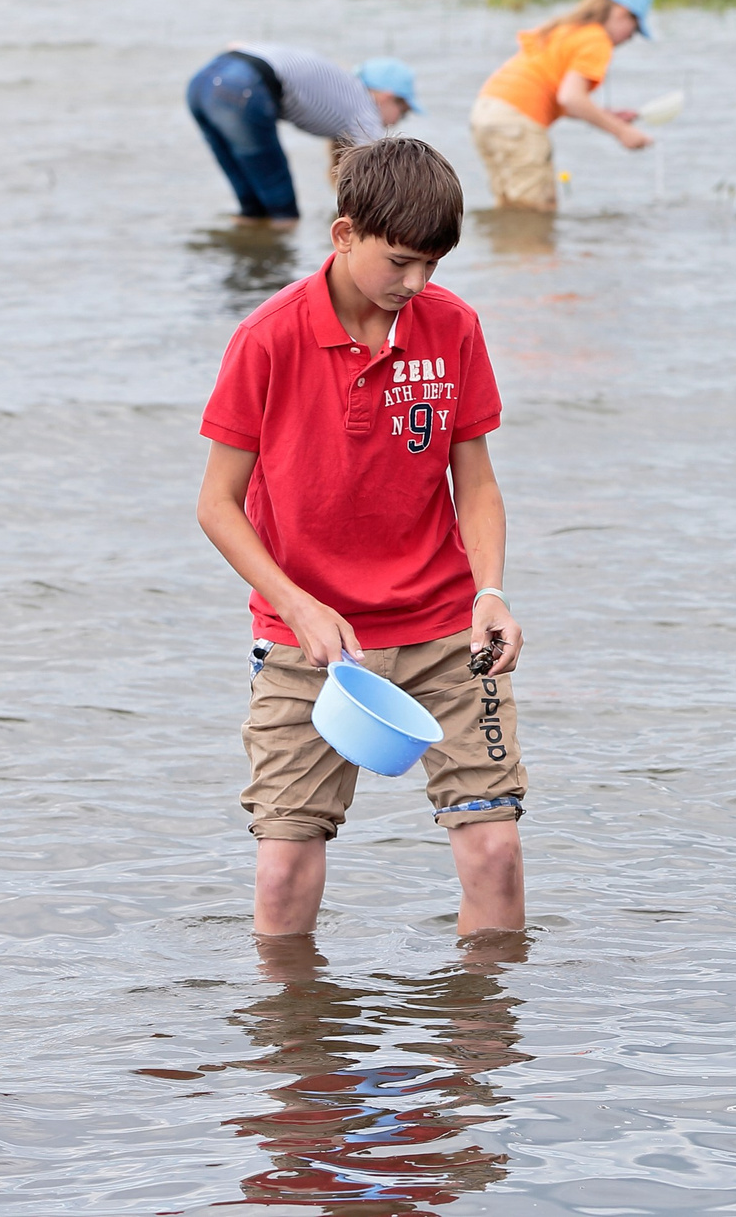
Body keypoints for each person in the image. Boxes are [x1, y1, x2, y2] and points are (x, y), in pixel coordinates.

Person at [193, 136, 528, 937]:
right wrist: (297, 605)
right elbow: (217, 504)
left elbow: (476, 482)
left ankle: (482, 1022)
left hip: (446, 631)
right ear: (344, 234)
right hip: (310, 643)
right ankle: (295, 1023)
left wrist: (490, 592)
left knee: (496, 853)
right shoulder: (267, 337)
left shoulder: (453, 327)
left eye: (433, 265)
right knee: (283, 869)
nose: (416, 284)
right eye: (401, 261)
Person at [469, 0, 656, 212]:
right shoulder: (597, 39)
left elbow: (556, 93)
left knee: (511, 209)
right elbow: (571, 97)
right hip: (519, 121)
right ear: (622, 12)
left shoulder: (566, 29)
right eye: (634, 29)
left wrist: (607, 116)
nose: (630, 38)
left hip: (487, 112)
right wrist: (622, 131)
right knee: (536, 213)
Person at [188, 44, 420, 227]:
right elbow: (379, 172)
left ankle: (249, 256)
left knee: (253, 208)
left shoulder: (341, 84)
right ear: (387, 97)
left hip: (202, 83)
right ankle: (279, 268)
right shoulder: (365, 107)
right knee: (283, 211)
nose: (396, 122)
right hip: (241, 87)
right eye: (403, 112)